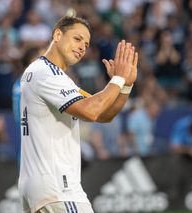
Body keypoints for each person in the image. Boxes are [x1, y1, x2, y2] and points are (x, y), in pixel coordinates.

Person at [18, 16, 138, 213]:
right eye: (77, 38)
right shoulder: (47, 74)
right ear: (57, 34)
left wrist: (126, 85)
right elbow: (92, 111)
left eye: (87, 43)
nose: (83, 47)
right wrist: (118, 78)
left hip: (41, 188)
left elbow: (104, 115)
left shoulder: (51, 75)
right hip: (58, 188)